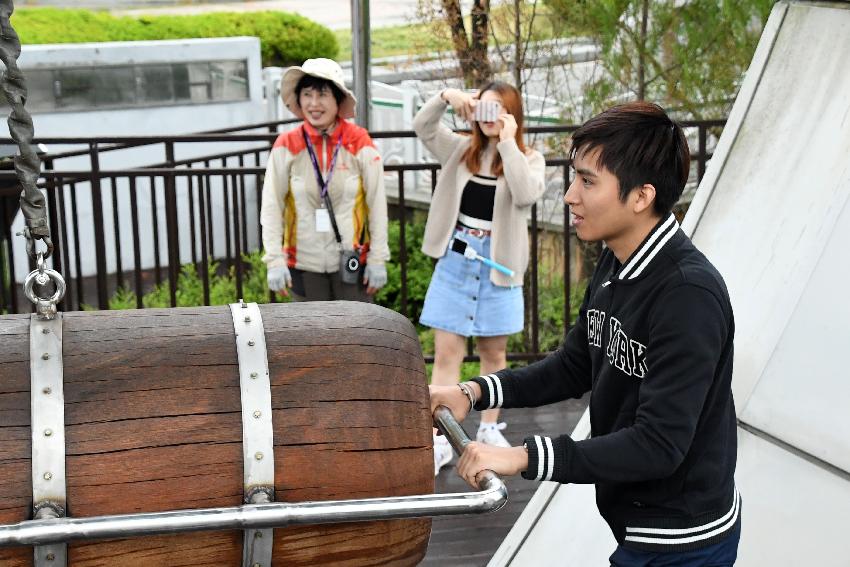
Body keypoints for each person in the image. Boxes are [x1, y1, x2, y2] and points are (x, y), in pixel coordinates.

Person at [430, 102, 741, 565]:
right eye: (574, 177)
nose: (570, 196)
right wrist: (472, 391)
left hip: (682, 538)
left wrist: (522, 457)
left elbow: (659, 445)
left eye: (588, 181)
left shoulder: (687, 295)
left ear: (641, 197)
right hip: (637, 520)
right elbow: (575, 365)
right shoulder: (617, 258)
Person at [413, 82, 546, 475]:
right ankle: (440, 439)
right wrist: (445, 98)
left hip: (499, 266)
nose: (489, 118)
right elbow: (422, 127)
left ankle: (489, 428)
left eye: (499, 110)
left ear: (512, 115)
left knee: (494, 354)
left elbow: (524, 195)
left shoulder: (528, 158)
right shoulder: (459, 150)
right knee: (447, 354)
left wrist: (508, 142)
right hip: (457, 259)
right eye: (484, 109)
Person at [260, 58, 389, 302]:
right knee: (312, 337)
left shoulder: (359, 141)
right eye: (307, 94)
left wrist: (377, 259)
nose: (314, 103)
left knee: (355, 336)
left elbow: (377, 204)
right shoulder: (286, 144)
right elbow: (271, 206)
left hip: (352, 261)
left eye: (323, 95)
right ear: (298, 100)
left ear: (337, 99)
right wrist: (274, 260)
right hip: (303, 263)